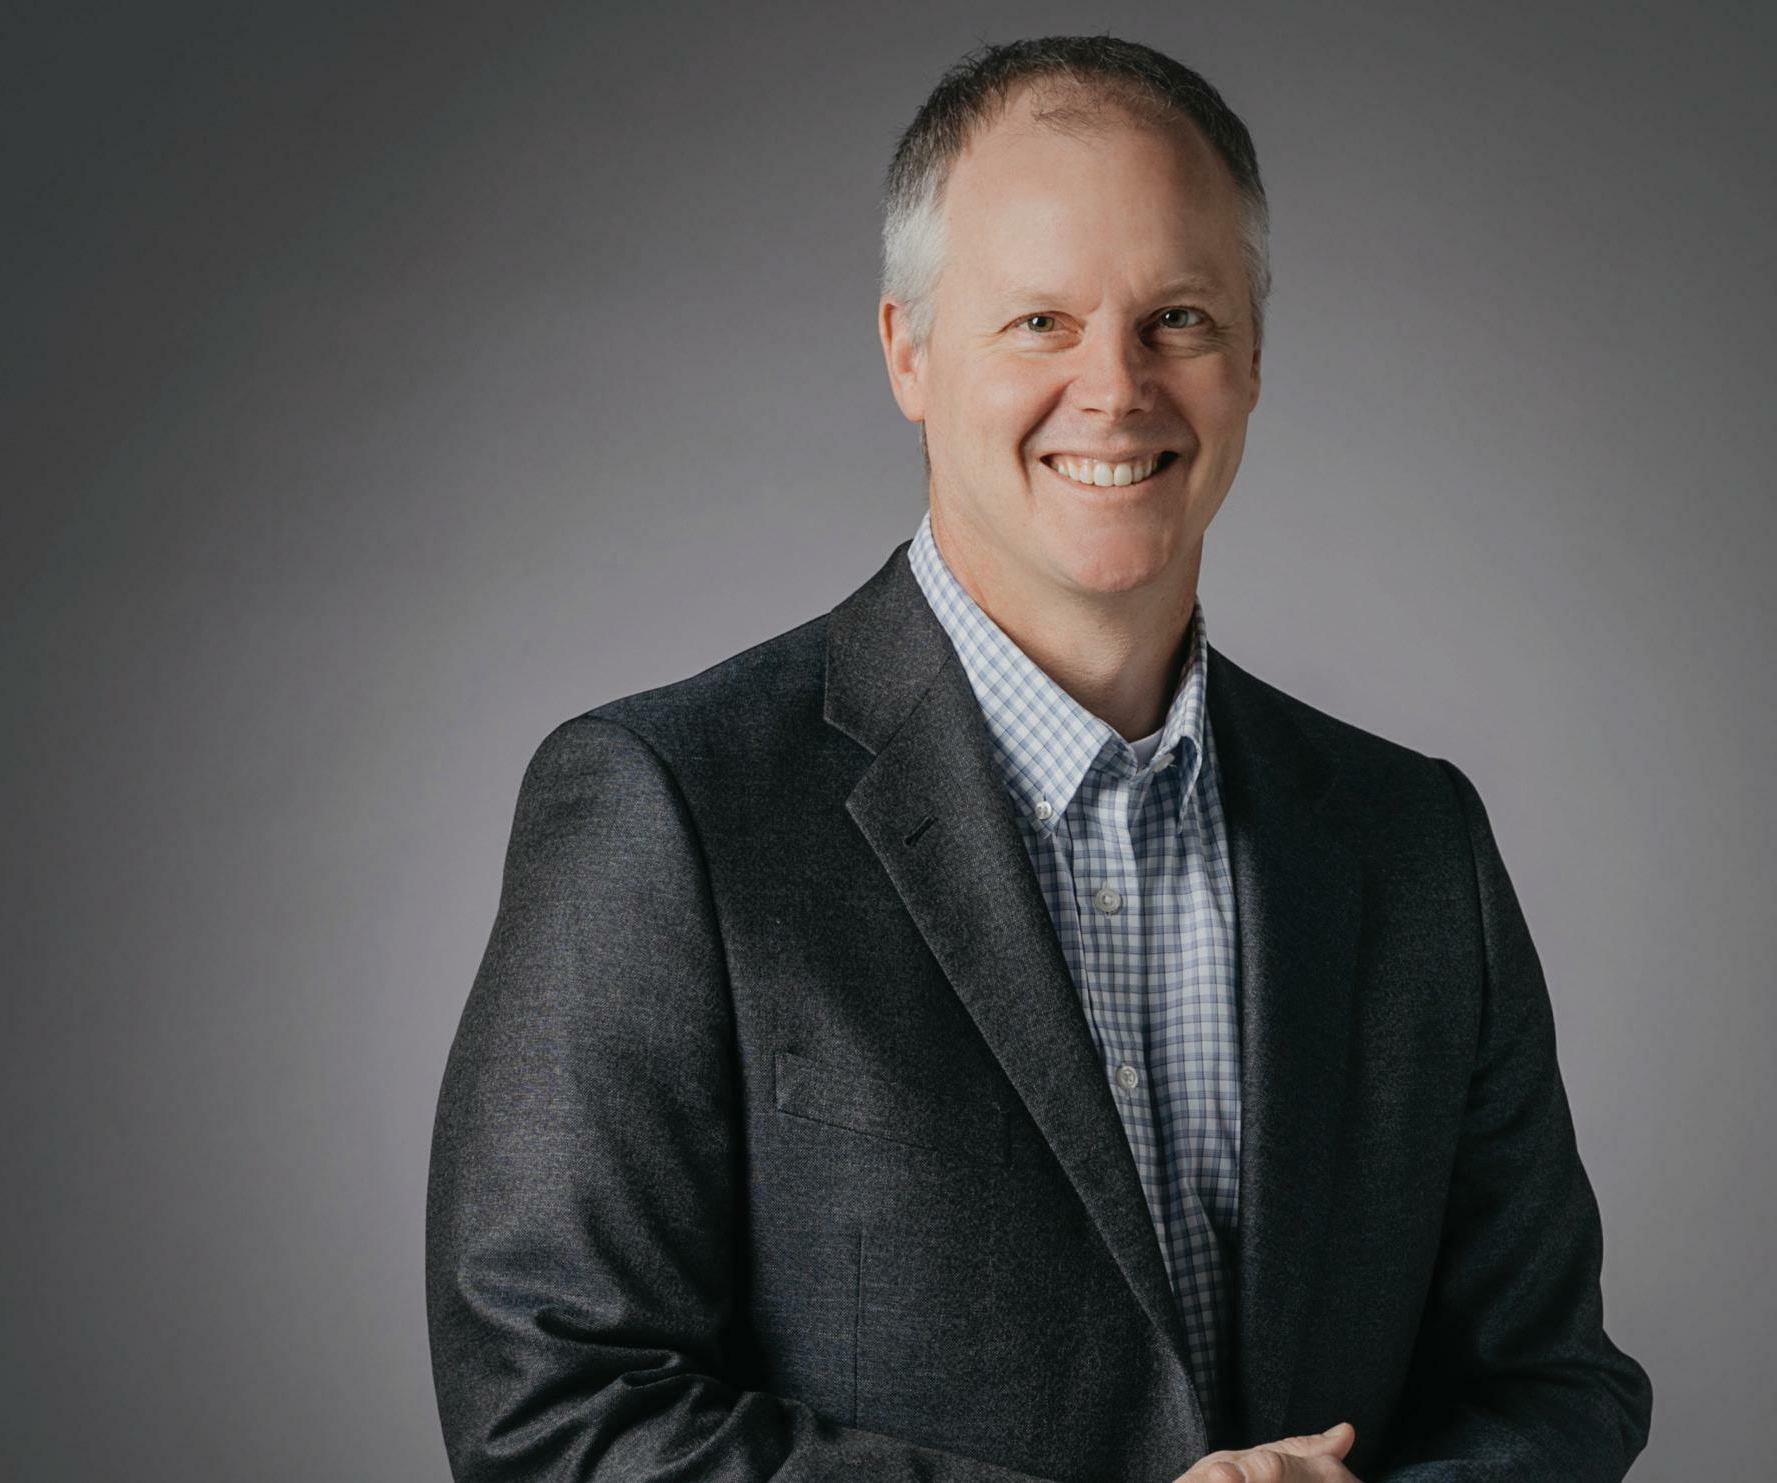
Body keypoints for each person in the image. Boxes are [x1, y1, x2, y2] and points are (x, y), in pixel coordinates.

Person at [423, 34, 1651, 1483]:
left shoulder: (1415, 838)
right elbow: (554, 1415)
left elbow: (1548, 1385)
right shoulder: (668, 809)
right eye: (1039, 322)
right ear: (909, 353)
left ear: (1254, 357)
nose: (1115, 388)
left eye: (1178, 317)